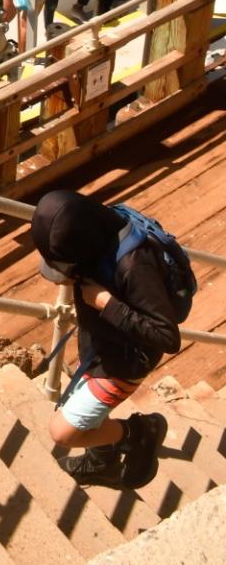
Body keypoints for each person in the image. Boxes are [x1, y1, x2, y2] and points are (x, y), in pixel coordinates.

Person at [32, 189, 178, 489]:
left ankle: (139, 432)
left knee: (63, 432)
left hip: (126, 360)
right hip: (102, 342)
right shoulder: (96, 224)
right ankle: (102, 461)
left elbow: (167, 336)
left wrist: (105, 303)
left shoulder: (134, 265)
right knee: (82, 415)